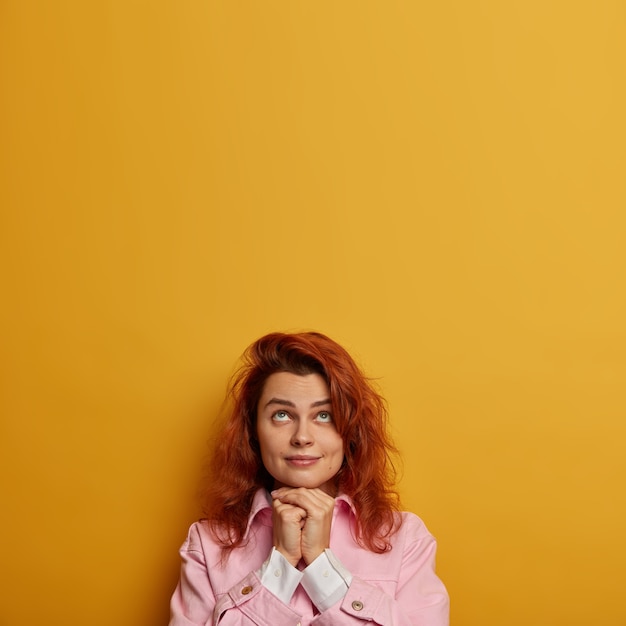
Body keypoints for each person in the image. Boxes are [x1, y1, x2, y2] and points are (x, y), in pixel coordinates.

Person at [169, 331, 449, 625]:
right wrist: (280, 564)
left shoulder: (405, 540)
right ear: (253, 431)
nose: (302, 437)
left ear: (350, 430)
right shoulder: (206, 545)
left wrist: (321, 567)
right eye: (281, 415)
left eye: (324, 415)